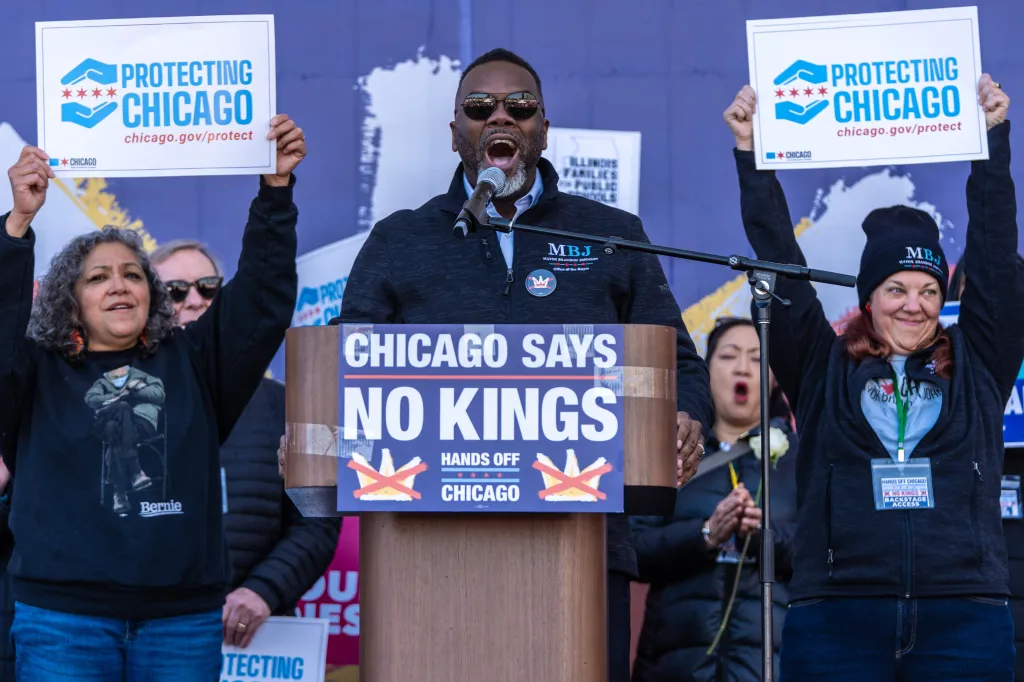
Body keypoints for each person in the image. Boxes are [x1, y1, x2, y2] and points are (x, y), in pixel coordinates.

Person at [336, 47, 713, 681]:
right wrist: (315, 426)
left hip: (584, 538)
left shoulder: (609, 233)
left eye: (520, 106)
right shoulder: (401, 238)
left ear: (542, 127)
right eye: (480, 107)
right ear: (455, 132)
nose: (500, 116)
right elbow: (345, 367)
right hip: (429, 549)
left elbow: (678, 362)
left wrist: (688, 415)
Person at [723, 75, 1023, 681]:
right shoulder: (823, 364)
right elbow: (780, 259)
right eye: (896, 289)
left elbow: (995, 263)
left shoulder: (978, 364)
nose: (914, 305)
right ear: (867, 297)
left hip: (963, 616)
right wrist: (751, 155)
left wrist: (992, 142)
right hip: (838, 618)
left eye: (929, 290)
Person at [0, 114, 305, 680]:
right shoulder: (33, 371)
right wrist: (17, 226)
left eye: (133, 275)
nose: (119, 284)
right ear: (70, 300)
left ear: (151, 294)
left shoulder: (195, 361)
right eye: (98, 277)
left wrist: (275, 190)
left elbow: (261, 302)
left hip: (180, 624)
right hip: (64, 623)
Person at [151, 239, 341, 648]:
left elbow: (321, 518)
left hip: (257, 641)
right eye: (175, 291)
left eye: (208, 287)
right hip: (151, 633)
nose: (195, 300)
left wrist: (263, 591)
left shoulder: (299, 402)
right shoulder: (117, 404)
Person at [631, 317, 798, 682]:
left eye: (758, 358)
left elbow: (824, 552)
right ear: (706, 370)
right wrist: (706, 534)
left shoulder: (800, 457)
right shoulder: (673, 450)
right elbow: (634, 551)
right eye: (729, 355)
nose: (742, 367)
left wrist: (763, 536)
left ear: (775, 378)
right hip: (673, 666)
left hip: (770, 665)